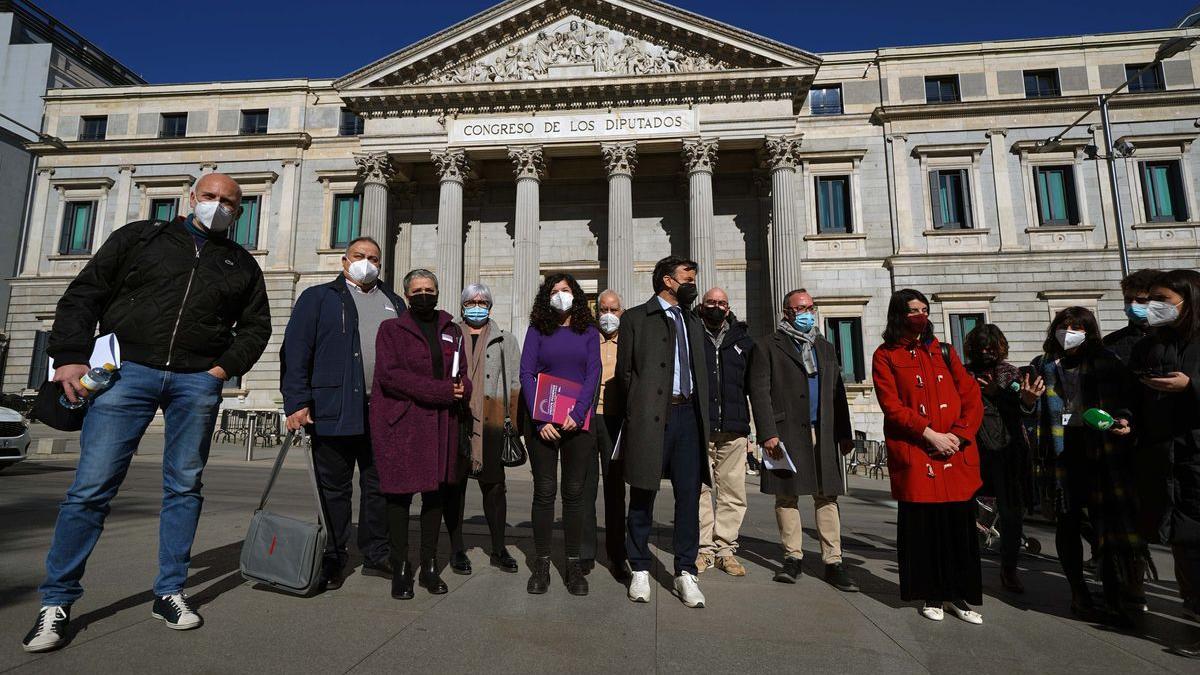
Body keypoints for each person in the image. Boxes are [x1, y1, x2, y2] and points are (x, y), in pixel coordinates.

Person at [23, 173, 271, 653]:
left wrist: (222, 370)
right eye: (210, 197)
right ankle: (56, 602)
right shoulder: (141, 236)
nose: (217, 206)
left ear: (240, 213)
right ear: (190, 199)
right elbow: (84, 294)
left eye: (229, 203)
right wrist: (71, 354)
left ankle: (170, 590)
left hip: (195, 380)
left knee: (184, 486)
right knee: (91, 488)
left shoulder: (240, 263)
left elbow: (256, 326)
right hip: (125, 371)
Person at [280, 237, 403, 592]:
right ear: (344, 261)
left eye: (374, 258)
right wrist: (296, 402)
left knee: (379, 486)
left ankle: (377, 553)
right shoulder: (318, 298)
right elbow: (296, 351)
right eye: (360, 256)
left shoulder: (394, 302)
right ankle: (333, 557)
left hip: (382, 411)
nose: (367, 263)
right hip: (332, 409)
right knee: (333, 489)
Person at [871, 289, 984, 624]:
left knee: (959, 529)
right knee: (924, 531)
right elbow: (892, 406)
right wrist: (929, 433)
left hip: (955, 453)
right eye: (912, 310)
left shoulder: (945, 352)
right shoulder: (885, 355)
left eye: (924, 309)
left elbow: (971, 397)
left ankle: (959, 596)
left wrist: (959, 436)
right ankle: (931, 594)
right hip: (919, 453)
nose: (920, 315)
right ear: (898, 315)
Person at [1026, 306, 1144, 626]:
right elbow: (1029, 411)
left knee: (1106, 524)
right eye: (1064, 326)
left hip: (1100, 449)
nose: (1069, 331)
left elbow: (1128, 403)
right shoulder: (1043, 365)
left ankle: (1113, 592)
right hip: (1061, 450)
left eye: (1077, 326)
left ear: (1090, 331)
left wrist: (1124, 421)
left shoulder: (1107, 362)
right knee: (1066, 522)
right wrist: (1026, 401)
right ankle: (1078, 592)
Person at [369, 269, 471, 600]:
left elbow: (463, 375)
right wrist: (442, 391)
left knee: (435, 497)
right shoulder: (391, 329)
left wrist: (462, 389)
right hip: (403, 425)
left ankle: (429, 566)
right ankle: (400, 567)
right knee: (399, 497)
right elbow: (390, 376)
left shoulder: (452, 330)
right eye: (418, 290)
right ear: (407, 294)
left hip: (442, 424)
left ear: (438, 292)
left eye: (429, 289)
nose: (424, 294)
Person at [616, 255, 710, 608]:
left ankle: (686, 571)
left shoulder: (693, 321)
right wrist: (640, 409)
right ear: (668, 281)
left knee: (689, 496)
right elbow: (626, 375)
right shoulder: (636, 319)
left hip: (689, 417)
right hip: (651, 416)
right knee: (643, 493)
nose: (692, 283)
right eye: (688, 277)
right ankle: (639, 565)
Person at [749, 289, 858, 592]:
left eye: (811, 307)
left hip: (823, 430)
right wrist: (767, 432)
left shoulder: (825, 346)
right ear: (787, 312)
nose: (807, 313)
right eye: (801, 308)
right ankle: (792, 557)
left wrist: (845, 433)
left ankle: (833, 560)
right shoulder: (767, 346)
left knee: (827, 496)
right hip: (785, 432)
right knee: (787, 496)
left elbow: (838, 393)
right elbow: (759, 392)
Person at [1129, 269, 1200, 658]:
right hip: (1163, 457)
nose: (1150, 307)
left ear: (1187, 302)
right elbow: (1132, 395)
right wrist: (1126, 420)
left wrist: (1191, 387)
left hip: (1195, 453)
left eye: (1161, 300)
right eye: (1147, 299)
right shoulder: (1149, 347)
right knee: (1184, 541)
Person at [519, 273, 601, 596]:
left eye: (566, 290)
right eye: (555, 291)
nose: (561, 295)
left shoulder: (589, 331)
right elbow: (526, 373)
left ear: (576, 295)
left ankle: (573, 563)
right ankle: (541, 562)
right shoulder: (538, 329)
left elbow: (593, 373)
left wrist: (578, 413)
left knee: (575, 493)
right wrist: (540, 420)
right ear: (546, 297)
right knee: (544, 492)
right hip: (544, 423)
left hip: (577, 424)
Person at [445, 282, 521, 575]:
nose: (477, 305)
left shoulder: (505, 339)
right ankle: (456, 549)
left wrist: (511, 424)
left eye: (483, 301)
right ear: (463, 305)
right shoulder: (450, 336)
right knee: (454, 488)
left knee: (494, 488)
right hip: (457, 419)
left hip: (490, 422)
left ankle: (499, 548)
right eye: (472, 301)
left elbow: (514, 384)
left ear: (490, 306)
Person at [962, 323, 1039, 593]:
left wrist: (1001, 394)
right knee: (967, 508)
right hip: (975, 448)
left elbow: (1025, 407)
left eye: (990, 346)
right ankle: (967, 564)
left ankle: (1009, 569)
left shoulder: (1009, 372)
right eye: (980, 345)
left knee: (1011, 512)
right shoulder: (963, 373)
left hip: (1009, 450)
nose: (985, 351)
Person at [695, 287, 754, 577]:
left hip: (734, 427)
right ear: (701, 306)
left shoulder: (743, 340)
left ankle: (726, 549)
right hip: (700, 427)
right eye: (711, 303)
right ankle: (704, 549)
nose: (716, 307)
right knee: (700, 491)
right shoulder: (691, 334)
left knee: (733, 493)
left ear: (729, 308)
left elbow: (753, 386)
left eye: (721, 303)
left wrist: (755, 431)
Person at [580, 289, 629, 580]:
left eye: (614, 309)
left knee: (615, 491)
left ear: (622, 311)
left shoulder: (630, 341)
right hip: (588, 419)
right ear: (596, 312)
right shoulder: (587, 339)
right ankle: (586, 552)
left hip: (615, 421)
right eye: (604, 309)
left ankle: (617, 554)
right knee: (585, 488)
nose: (609, 315)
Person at [1104, 268, 1162, 364]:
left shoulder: (1179, 337)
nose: (1133, 304)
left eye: (1141, 300)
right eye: (1128, 299)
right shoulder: (1111, 341)